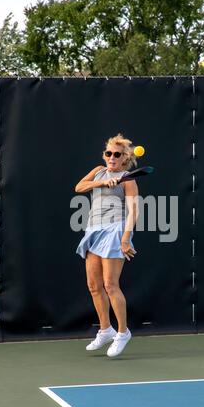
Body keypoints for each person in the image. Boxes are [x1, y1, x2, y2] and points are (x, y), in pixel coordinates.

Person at [75, 134, 139, 357]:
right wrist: (102, 181)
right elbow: (79, 187)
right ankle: (105, 329)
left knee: (111, 285)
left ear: (124, 158)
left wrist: (125, 238)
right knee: (94, 285)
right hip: (94, 229)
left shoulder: (128, 178)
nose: (111, 157)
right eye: (108, 153)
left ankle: (123, 332)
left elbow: (134, 211)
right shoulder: (98, 170)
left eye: (117, 154)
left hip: (115, 229)